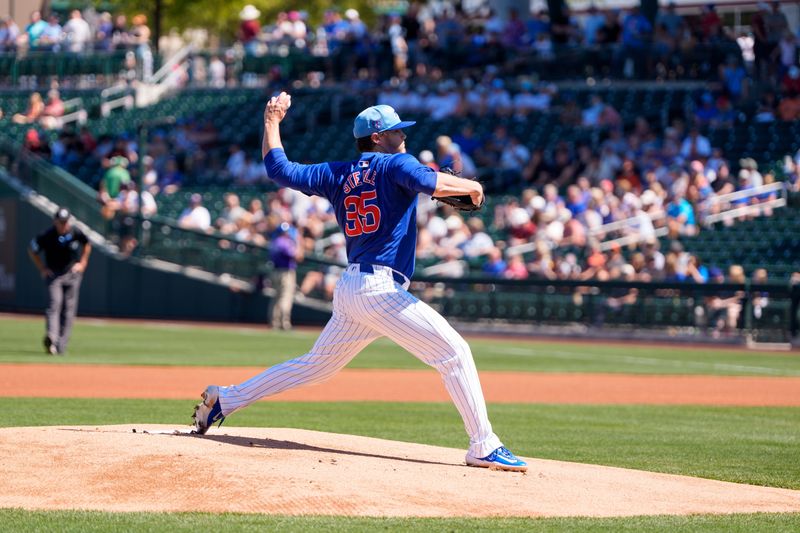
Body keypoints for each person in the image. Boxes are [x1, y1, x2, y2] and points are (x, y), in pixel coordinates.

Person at [192, 95, 527, 472]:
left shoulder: (337, 172)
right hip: (379, 288)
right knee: (454, 352)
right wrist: (468, 186)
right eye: (397, 131)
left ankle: (226, 399)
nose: (403, 136)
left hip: (353, 287)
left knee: (316, 366)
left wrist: (271, 121)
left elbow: (279, 169)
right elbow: (422, 179)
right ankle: (483, 444)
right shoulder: (396, 162)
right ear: (378, 136)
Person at [27, 207, 91, 355]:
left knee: (68, 310)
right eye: (60, 222)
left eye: (65, 222)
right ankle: (52, 338)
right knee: (54, 304)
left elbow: (87, 243)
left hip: (72, 273)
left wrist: (82, 263)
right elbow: (32, 249)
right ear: (55, 221)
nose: (63, 225)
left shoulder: (75, 232)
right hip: (54, 274)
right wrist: (42, 268)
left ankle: (61, 345)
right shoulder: (48, 235)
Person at [269, 221, 300, 330]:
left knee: (276, 297)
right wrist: (299, 242)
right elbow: (296, 256)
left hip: (275, 271)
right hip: (285, 272)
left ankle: (274, 322)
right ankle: (284, 323)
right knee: (285, 297)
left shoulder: (275, 241)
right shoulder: (286, 242)